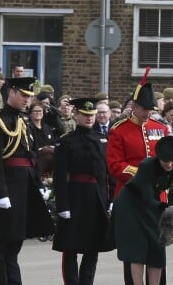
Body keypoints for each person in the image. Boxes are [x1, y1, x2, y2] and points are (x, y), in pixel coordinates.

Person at [0, 77, 54, 285]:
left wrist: (39, 185)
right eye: (24, 95)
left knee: (15, 244)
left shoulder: (23, 121)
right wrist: (0, 192)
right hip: (7, 187)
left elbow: (31, 157)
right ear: (11, 92)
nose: (27, 100)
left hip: (23, 187)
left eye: (30, 96)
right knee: (2, 245)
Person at [107, 68, 169, 285]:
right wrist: (142, 175)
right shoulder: (119, 130)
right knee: (134, 251)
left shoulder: (160, 128)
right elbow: (115, 166)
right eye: (143, 109)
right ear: (134, 107)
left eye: (150, 110)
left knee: (156, 248)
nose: (147, 114)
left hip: (156, 198)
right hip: (130, 197)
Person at [52, 97, 113, 285]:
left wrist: (110, 199)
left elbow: (108, 173)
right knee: (70, 247)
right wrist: (62, 205)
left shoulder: (102, 140)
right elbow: (60, 177)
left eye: (92, 115)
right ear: (76, 115)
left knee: (92, 247)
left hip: (96, 197)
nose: (89, 118)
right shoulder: (66, 141)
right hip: (75, 197)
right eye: (85, 115)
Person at [110, 136, 173, 285]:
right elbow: (147, 197)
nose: (169, 165)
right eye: (165, 161)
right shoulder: (147, 165)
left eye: (172, 161)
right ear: (158, 158)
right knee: (137, 249)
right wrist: (165, 209)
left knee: (157, 247)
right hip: (131, 205)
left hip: (154, 203)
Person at [28, 101, 56, 177]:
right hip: (36, 161)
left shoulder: (47, 128)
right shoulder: (28, 128)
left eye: (40, 111)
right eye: (35, 111)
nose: (38, 113)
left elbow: (53, 143)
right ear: (30, 113)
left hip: (50, 161)